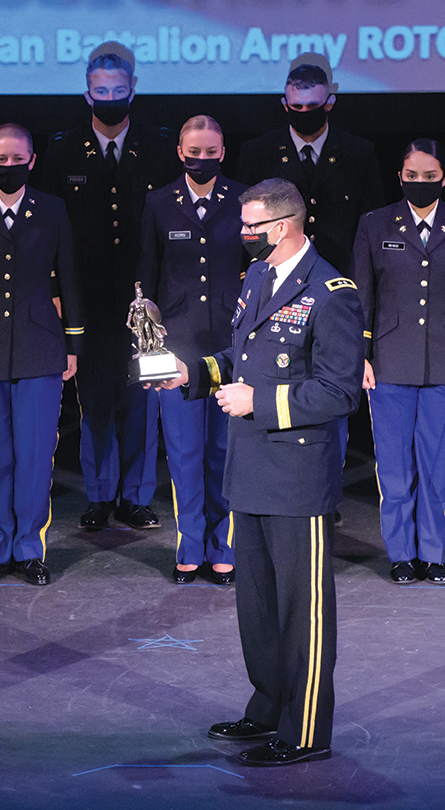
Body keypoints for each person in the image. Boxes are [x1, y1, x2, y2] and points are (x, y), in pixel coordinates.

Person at [161, 178, 363, 767]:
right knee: (258, 605)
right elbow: (239, 358)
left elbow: (338, 389)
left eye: (253, 226)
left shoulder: (331, 293)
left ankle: (303, 733)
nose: (243, 235)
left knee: (302, 610)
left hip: (297, 476)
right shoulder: (257, 278)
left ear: (285, 225)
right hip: (249, 468)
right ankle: (267, 708)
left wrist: (262, 403)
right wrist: (192, 375)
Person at [42, 43, 178, 531]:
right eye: (101, 92)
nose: (110, 99)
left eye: (119, 91)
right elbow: (49, 232)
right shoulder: (61, 151)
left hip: (144, 301)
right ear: (87, 94)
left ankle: (137, 496)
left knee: (141, 399)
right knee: (95, 400)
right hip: (88, 300)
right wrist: (58, 289)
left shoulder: (159, 150)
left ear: (133, 90)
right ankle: (99, 495)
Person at [353, 139, 445, 586]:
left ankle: (432, 554)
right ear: (400, 176)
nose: (419, 183)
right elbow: (361, 299)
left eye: (429, 176)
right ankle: (401, 555)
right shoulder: (374, 225)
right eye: (411, 176)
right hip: (390, 363)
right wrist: (361, 355)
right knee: (394, 469)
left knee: (437, 468)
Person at [0, 124, 84, 585]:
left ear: (32, 160)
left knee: (35, 453)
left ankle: (29, 547)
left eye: (18, 159)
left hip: (42, 346)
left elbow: (69, 277)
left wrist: (73, 343)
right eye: (1, 160)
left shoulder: (53, 209)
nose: (10, 167)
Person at [136, 115, 244, 585]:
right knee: (183, 453)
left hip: (228, 346)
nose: (203, 159)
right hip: (174, 347)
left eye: (211, 152)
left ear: (223, 152)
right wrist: (146, 347)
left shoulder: (243, 200)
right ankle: (190, 544)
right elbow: (145, 279)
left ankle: (224, 546)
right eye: (194, 151)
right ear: (180, 152)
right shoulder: (158, 203)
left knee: (223, 451)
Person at [235, 53, 384, 276]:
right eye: (297, 107)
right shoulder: (258, 153)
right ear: (285, 105)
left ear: (330, 103)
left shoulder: (358, 153)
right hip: (275, 275)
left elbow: (373, 223)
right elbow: (247, 223)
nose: (304, 113)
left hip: (339, 275)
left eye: (313, 106)